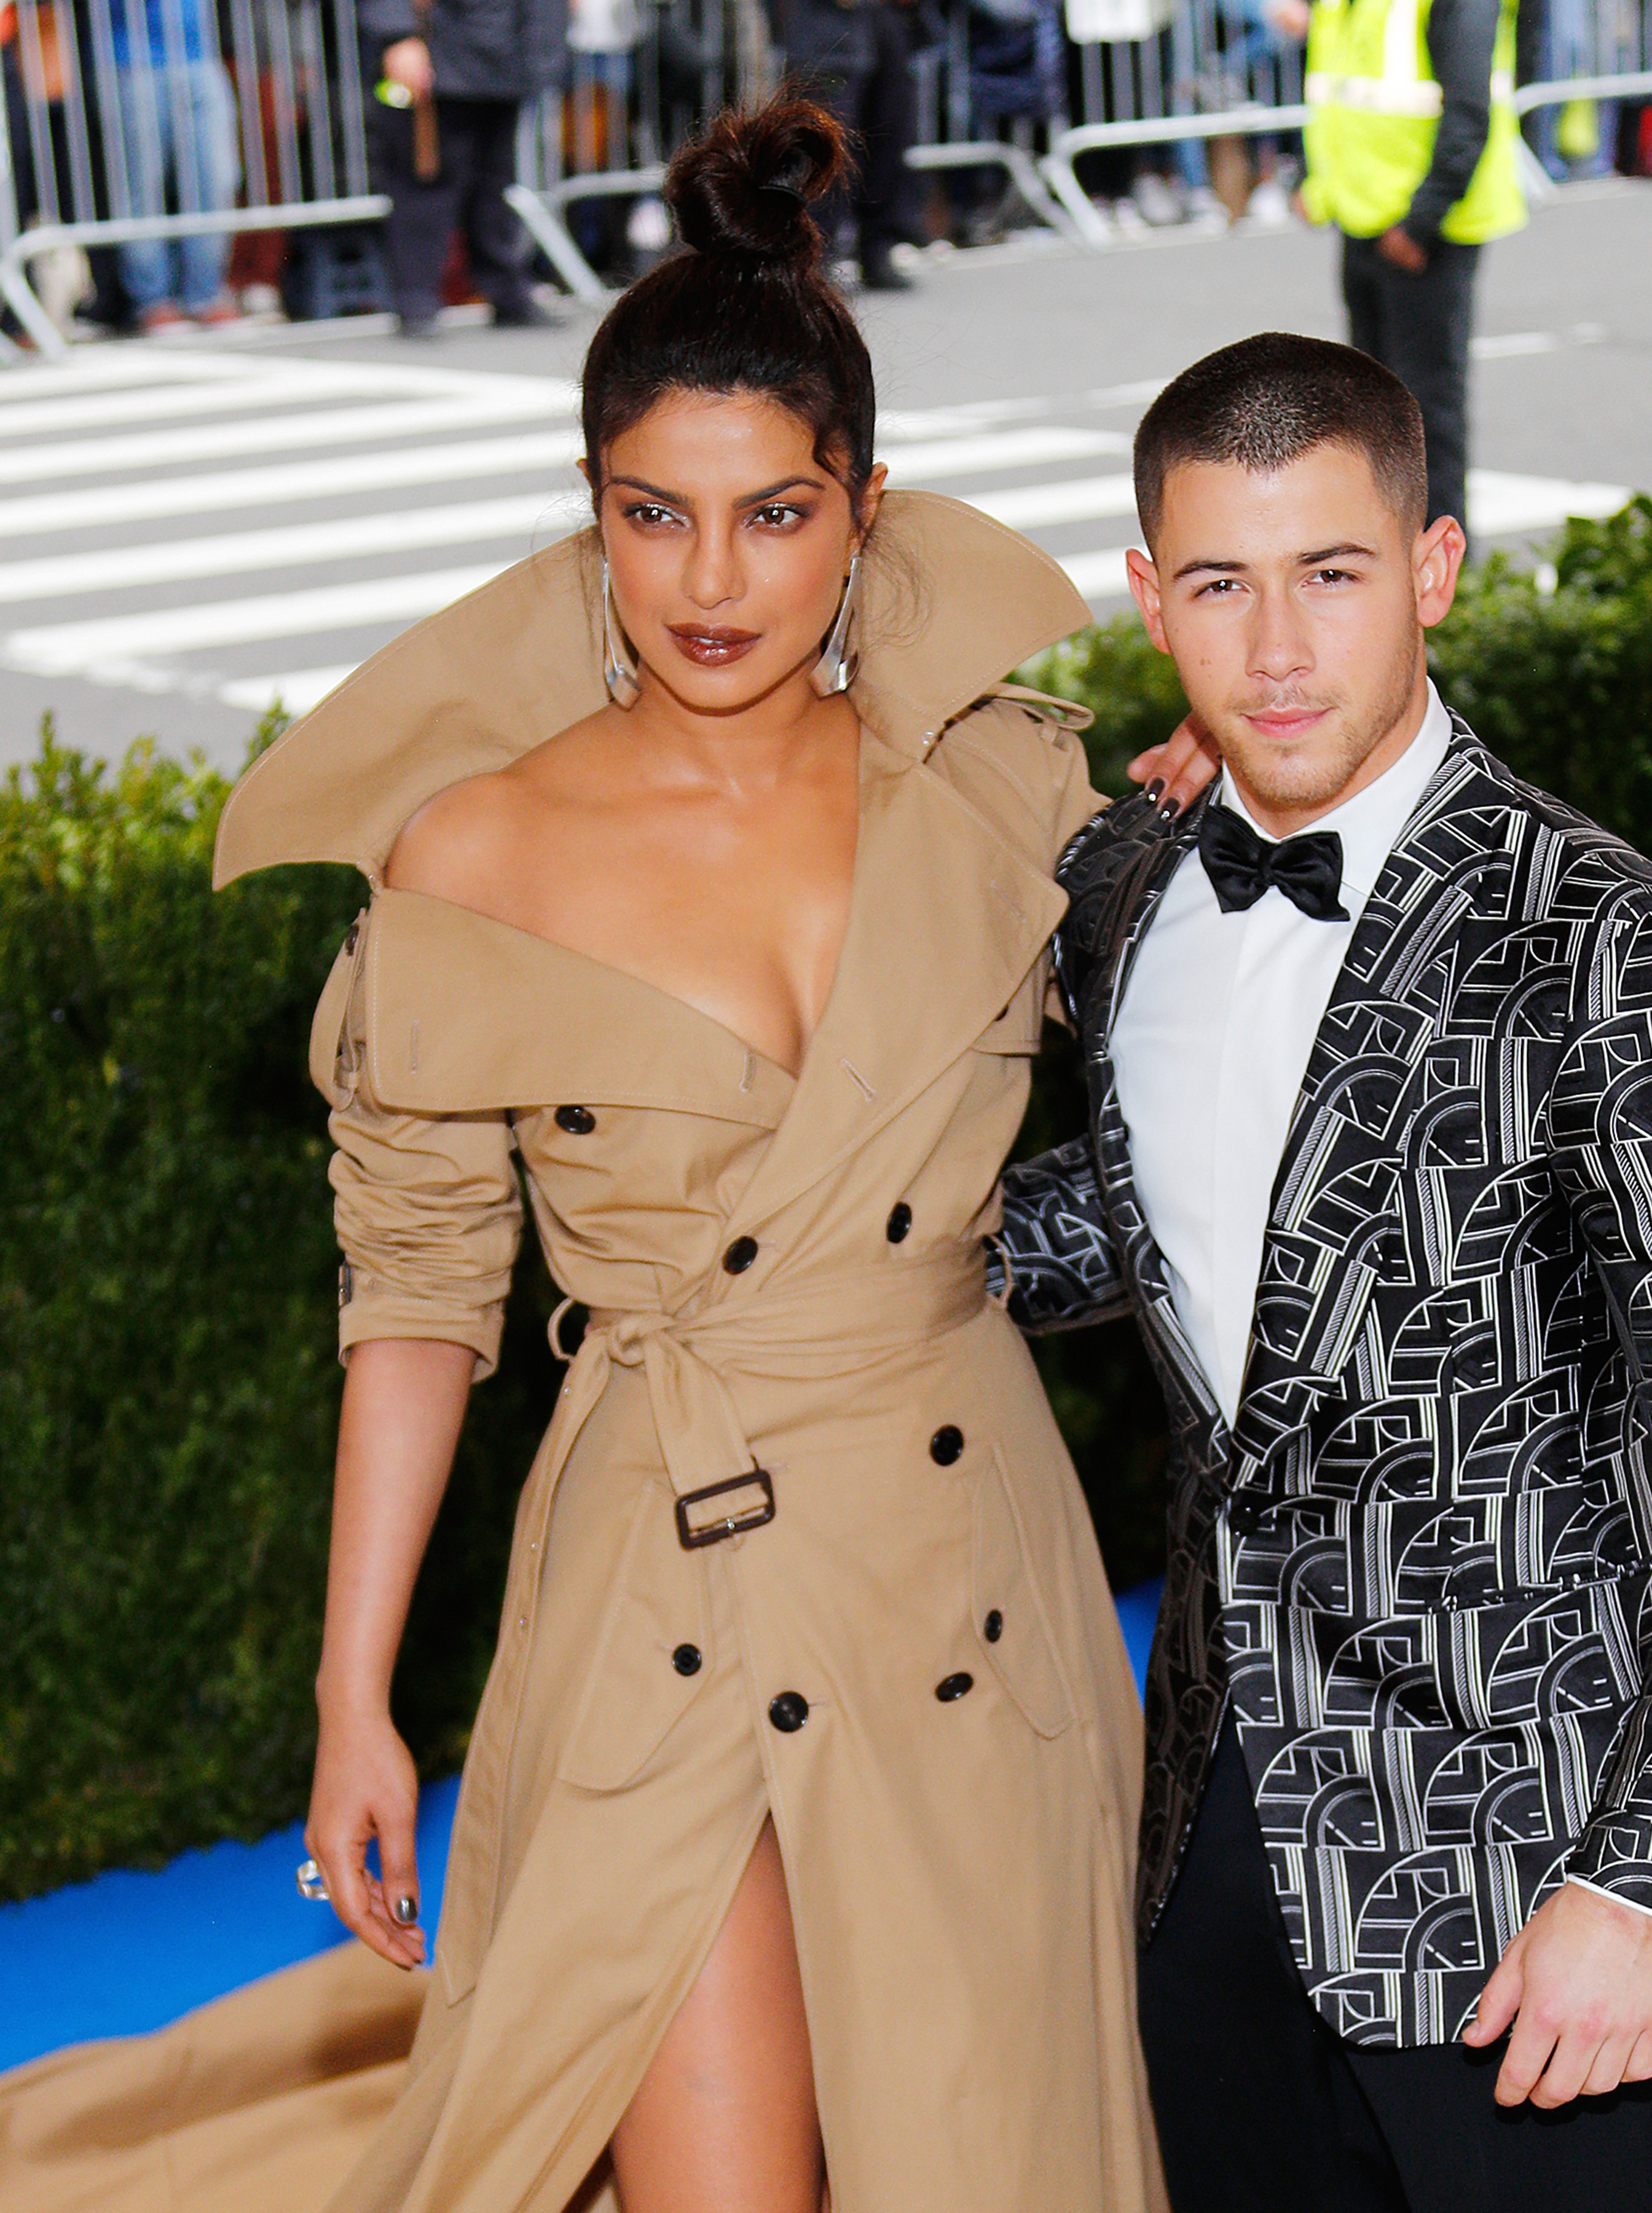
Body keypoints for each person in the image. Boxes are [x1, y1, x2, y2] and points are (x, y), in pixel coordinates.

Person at [213, 97, 1196, 2213]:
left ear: (863, 514)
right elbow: (416, 1297)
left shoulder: (999, 793)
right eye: (654, 518)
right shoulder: (469, 853)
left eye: (773, 516)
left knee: (984, 2165)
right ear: (591, 515)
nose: (712, 580)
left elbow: (1221, 1094)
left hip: (961, 1567)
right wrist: (351, 1694)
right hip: (659, 1564)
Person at [995, 332, 1652, 2213]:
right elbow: (1168, 1226)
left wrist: (1643, 1883)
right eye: (1219, 586)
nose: (1277, 651)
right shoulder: (1124, 884)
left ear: (1433, 569)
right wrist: (861, 1261)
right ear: (1148, 599)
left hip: (1525, 1861)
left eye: (1330, 573)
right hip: (1211, 1849)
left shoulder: (1620, 948)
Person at [1286, 0, 1526, 535]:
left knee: (1424, 412)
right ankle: (1385, 560)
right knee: (1370, 408)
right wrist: (1313, 179)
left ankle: (1443, 568)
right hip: (1364, 216)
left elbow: (1468, 107)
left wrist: (1423, 220)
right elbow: (1336, 88)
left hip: (1422, 231)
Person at [358, 0, 567, 335]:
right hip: (442, 53)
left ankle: (505, 291)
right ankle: (417, 299)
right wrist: (398, 37)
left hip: (506, 60)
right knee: (427, 184)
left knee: (495, 187)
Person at [107, 0, 240, 332]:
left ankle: (205, 294)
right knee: (142, 185)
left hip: (200, 54)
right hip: (134, 60)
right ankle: (153, 301)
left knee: (217, 179)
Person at [776, 0, 924, 288]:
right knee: (825, 143)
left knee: (890, 130)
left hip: (882, 16)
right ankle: (813, 257)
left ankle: (878, 247)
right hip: (824, 26)